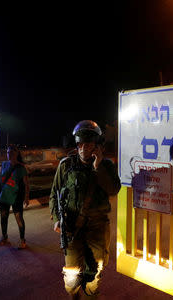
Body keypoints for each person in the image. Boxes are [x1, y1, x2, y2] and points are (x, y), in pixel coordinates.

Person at [49, 120, 121, 299]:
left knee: (93, 277)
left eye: (88, 144)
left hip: (98, 228)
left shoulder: (107, 166)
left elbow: (113, 189)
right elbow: (54, 195)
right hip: (72, 228)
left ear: (97, 145)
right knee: (71, 281)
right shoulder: (66, 166)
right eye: (80, 144)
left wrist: (98, 168)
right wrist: (58, 218)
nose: (83, 148)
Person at [0, 145, 30, 249]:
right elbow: (0, 179)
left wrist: (26, 197)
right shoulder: (4, 165)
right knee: (3, 217)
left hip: (17, 196)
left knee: (19, 218)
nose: (9, 154)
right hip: (5, 195)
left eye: (12, 152)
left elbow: (26, 184)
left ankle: (23, 240)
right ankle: (4, 237)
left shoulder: (21, 168)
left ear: (17, 154)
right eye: (8, 152)